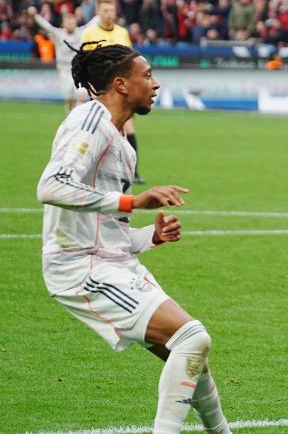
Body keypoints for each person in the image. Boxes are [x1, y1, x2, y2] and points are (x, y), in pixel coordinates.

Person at [37, 43, 232, 434]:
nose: (155, 84)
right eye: (147, 76)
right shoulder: (90, 119)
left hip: (112, 262)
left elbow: (111, 230)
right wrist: (133, 200)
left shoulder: (122, 146)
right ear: (121, 84)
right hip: (79, 267)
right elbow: (52, 185)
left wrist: (151, 236)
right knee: (192, 338)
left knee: (191, 355)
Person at [81, 0, 144, 184]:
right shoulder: (89, 33)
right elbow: (84, 62)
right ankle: (91, 168)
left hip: (121, 89)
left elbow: (130, 60)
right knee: (99, 129)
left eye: (112, 11)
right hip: (100, 89)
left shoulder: (122, 32)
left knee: (128, 128)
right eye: (106, 10)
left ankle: (132, 172)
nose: (109, 14)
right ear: (98, 12)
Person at [28, 6, 99, 111]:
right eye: (68, 22)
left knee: (80, 94)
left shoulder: (81, 32)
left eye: (72, 21)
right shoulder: (58, 34)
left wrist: (100, 14)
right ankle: (70, 112)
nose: (70, 24)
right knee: (68, 96)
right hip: (64, 69)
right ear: (63, 24)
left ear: (75, 22)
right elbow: (46, 26)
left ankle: (76, 114)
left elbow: (92, 23)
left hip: (78, 70)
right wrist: (35, 16)